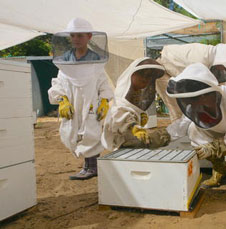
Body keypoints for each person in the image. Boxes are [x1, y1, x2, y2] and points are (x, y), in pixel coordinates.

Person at [48, 18, 113, 180]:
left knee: (92, 132)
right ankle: (88, 166)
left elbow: (103, 83)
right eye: (73, 35)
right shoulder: (65, 61)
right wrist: (62, 100)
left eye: (80, 36)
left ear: (89, 37)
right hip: (72, 104)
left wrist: (104, 101)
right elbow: (59, 83)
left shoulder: (95, 60)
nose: (76, 39)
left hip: (91, 102)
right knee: (73, 132)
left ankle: (92, 167)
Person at [157, 43, 226, 122]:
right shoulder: (199, 60)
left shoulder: (211, 58)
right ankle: (179, 134)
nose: (225, 70)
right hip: (163, 71)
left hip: (177, 72)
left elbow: (215, 85)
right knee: (177, 108)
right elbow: (197, 85)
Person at [101, 57, 170, 151]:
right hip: (120, 144)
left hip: (132, 143)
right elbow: (118, 114)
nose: (146, 79)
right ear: (132, 75)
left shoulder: (137, 94)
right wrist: (133, 126)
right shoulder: (120, 99)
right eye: (143, 75)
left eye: (149, 76)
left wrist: (139, 120)